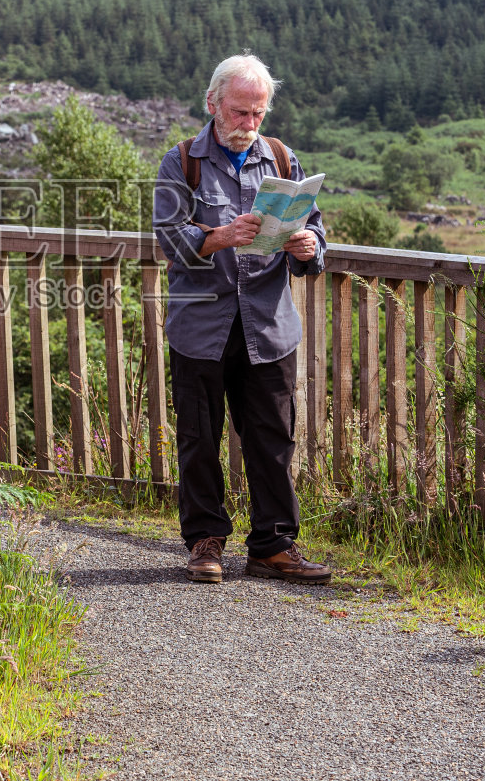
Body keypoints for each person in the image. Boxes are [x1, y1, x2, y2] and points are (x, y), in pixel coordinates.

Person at [152, 53, 331, 585]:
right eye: (238, 112)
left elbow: (317, 232)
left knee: (273, 437)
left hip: (268, 325)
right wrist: (220, 236)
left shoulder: (281, 159)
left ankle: (273, 545)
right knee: (199, 438)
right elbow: (169, 240)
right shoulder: (180, 161)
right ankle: (205, 542)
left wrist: (306, 244)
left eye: (257, 114)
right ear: (212, 105)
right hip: (200, 328)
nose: (248, 125)